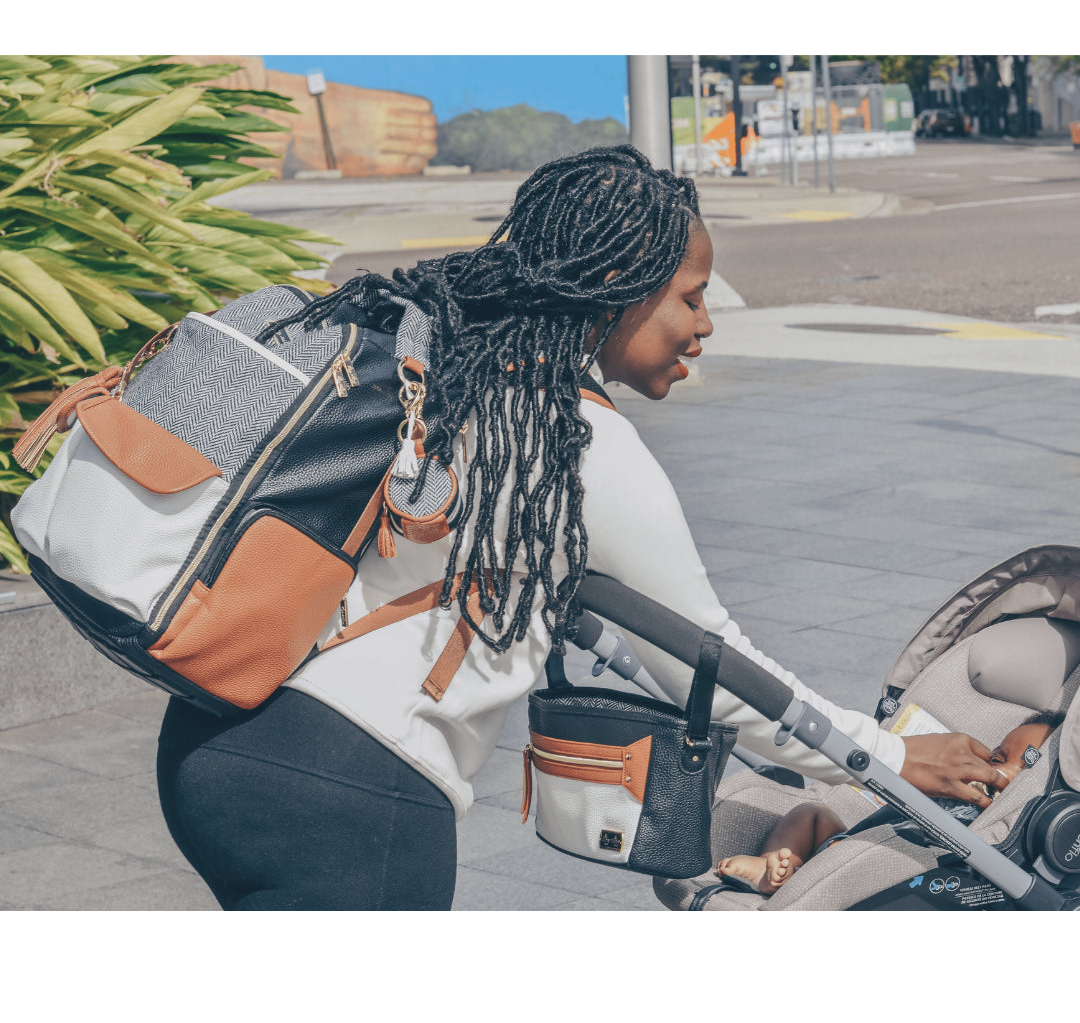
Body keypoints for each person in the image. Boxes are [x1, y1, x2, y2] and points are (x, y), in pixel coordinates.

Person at [155, 145, 1001, 910]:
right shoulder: (577, 442)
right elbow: (711, 665)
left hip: (218, 735)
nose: (705, 325)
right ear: (619, 288)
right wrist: (891, 759)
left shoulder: (449, 369)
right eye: (691, 298)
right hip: (350, 787)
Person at [716, 709, 1065, 896]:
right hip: (845, 844)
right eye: (997, 757)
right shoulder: (958, 788)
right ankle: (774, 867)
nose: (999, 771)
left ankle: (794, 877)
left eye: (1025, 765)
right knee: (811, 813)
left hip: (882, 873)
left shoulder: (1004, 831)